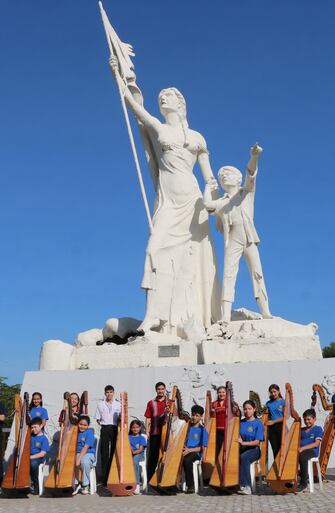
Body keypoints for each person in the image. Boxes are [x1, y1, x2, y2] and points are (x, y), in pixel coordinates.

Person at [109, 56, 221, 335]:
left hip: (193, 201)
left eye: (168, 95)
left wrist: (213, 195)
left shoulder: (197, 137)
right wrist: (118, 77)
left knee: (191, 260)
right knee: (154, 250)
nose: (163, 98)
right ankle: (152, 317)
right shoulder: (158, 128)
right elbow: (136, 109)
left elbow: (209, 176)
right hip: (169, 201)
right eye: (160, 96)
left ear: (180, 102)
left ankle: (189, 318)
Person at [203, 143, 272, 322]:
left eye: (228, 174)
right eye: (222, 175)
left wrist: (254, 157)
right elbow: (208, 206)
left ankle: (265, 311)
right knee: (228, 275)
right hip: (232, 240)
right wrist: (208, 189)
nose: (224, 176)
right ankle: (225, 315)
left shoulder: (246, 193)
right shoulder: (222, 202)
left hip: (249, 239)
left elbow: (251, 174)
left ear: (237, 179)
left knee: (257, 273)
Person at [94, 385, 121, 487]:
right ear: (105, 393)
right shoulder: (100, 404)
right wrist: (103, 424)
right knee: (104, 453)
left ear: (114, 393)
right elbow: (97, 418)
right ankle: (104, 479)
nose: (109, 394)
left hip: (114, 429)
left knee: (114, 452)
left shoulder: (118, 404)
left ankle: (113, 477)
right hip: (105, 428)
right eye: (107, 392)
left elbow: (121, 417)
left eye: (111, 392)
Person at [237, 400, 264, 495]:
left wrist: (243, 443)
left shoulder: (258, 423)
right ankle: (236, 483)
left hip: (254, 450)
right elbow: (237, 436)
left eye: (249, 409)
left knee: (244, 457)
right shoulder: (240, 422)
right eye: (245, 409)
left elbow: (257, 442)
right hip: (243, 448)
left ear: (254, 409)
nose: (247, 411)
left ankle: (247, 486)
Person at [182, 405, 208, 493]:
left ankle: (191, 485)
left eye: (197, 415)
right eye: (193, 415)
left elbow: (202, 447)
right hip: (185, 451)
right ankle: (174, 482)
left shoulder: (203, 430)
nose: (194, 417)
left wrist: (189, 450)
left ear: (201, 417)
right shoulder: (186, 427)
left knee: (187, 460)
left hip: (195, 453)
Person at [144, 382, 168, 479]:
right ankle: (150, 479)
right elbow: (148, 418)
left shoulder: (170, 402)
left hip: (167, 434)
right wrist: (147, 431)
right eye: (159, 389)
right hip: (154, 433)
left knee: (166, 456)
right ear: (156, 390)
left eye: (162, 389)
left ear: (165, 389)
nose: (161, 391)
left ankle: (165, 477)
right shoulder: (151, 403)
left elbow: (174, 417)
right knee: (153, 457)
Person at [298, 409, 323, 489]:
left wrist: (302, 448)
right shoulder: (301, 430)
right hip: (301, 450)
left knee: (302, 456)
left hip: (312, 451)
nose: (306, 421)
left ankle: (303, 483)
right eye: (305, 420)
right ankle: (290, 479)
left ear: (314, 419)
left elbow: (316, 444)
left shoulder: (318, 429)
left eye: (309, 419)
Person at [74, 415, 96, 495]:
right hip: (77, 453)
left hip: (88, 453)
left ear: (88, 425)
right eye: (80, 424)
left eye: (85, 425)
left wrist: (79, 458)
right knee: (71, 461)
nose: (82, 426)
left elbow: (86, 447)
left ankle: (85, 484)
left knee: (84, 461)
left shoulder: (89, 433)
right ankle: (76, 483)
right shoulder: (75, 432)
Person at [28, 417, 50, 495]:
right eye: (32, 427)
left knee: (33, 463)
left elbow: (43, 453)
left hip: (39, 459)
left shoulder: (44, 439)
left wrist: (29, 457)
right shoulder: (30, 437)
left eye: (35, 427)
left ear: (41, 426)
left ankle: (36, 484)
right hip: (29, 457)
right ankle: (24, 484)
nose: (33, 429)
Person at [264, 384, 285, 459]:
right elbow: (264, 414)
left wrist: (274, 421)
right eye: (271, 392)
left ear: (279, 391)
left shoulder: (283, 402)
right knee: (274, 449)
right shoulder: (268, 403)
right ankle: (276, 468)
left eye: (274, 391)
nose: (273, 394)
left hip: (280, 426)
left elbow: (286, 417)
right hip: (271, 428)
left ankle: (282, 466)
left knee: (281, 448)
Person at [129, 420, 147, 494]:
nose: (135, 429)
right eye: (133, 427)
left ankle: (137, 484)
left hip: (139, 455)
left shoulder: (141, 438)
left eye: (137, 427)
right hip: (130, 455)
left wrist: (133, 452)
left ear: (140, 428)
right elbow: (128, 447)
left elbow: (140, 449)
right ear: (130, 428)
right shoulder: (127, 437)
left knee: (135, 460)